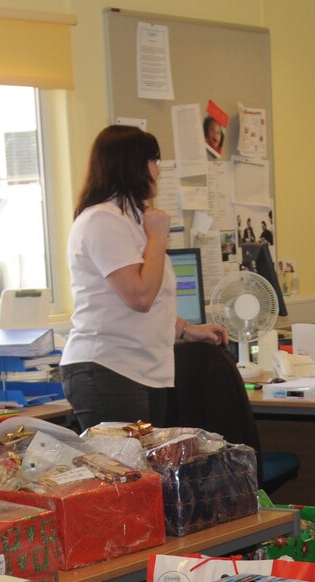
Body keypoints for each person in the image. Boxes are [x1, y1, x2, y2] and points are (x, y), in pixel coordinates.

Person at [60, 125, 227, 430]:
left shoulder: (132, 221)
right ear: (132, 165)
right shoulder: (101, 221)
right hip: (108, 366)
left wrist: (189, 330)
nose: (159, 172)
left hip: (143, 367)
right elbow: (139, 297)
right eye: (155, 162)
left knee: (147, 474)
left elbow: (149, 302)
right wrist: (158, 237)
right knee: (125, 475)